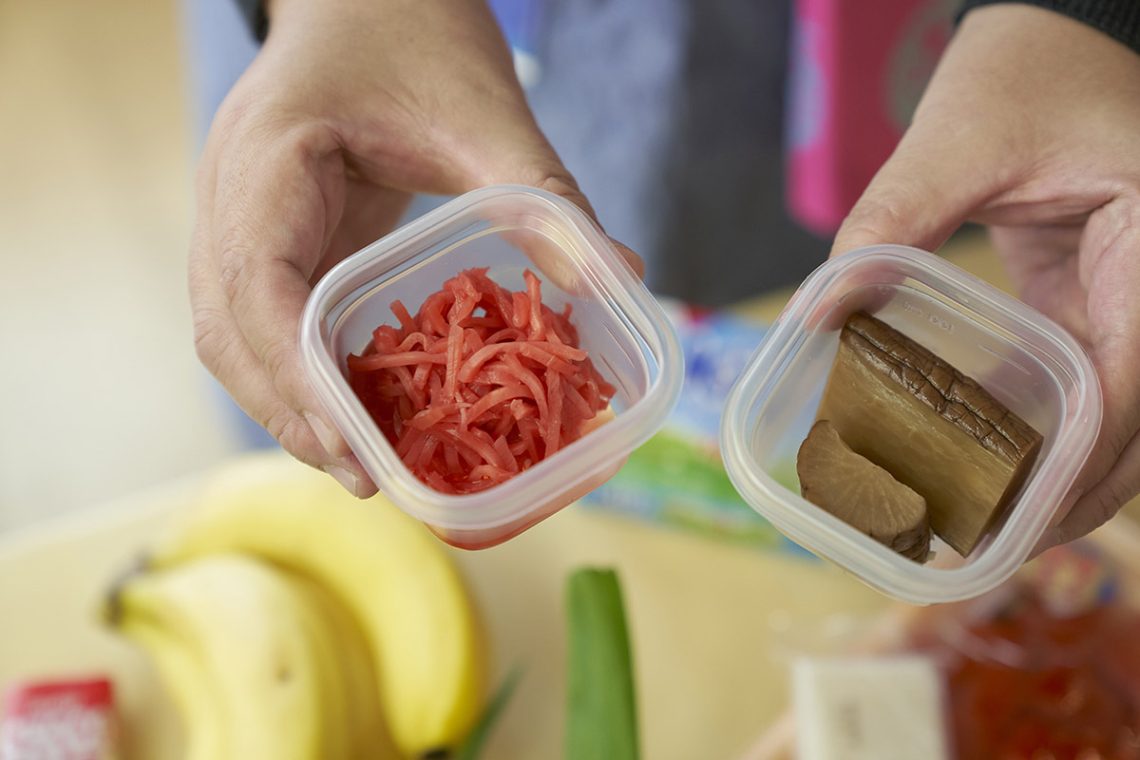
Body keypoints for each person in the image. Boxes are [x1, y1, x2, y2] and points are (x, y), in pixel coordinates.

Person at [188, 0, 1140, 551]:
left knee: (768, 302)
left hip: (823, 53)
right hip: (365, 39)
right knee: (300, 386)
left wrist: (1088, 18)